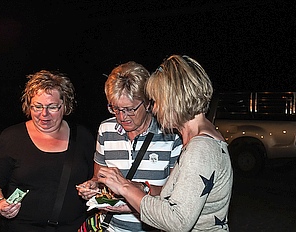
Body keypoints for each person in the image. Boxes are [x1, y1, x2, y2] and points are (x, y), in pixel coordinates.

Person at [96, 55, 234, 231]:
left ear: (173, 100)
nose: (154, 108)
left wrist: (124, 187)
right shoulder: (199, 140)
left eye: (156, 100)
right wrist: (133, 204)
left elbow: (177, 221)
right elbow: (174, 203)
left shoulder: (201, 148)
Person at [0, 70, 95, 231]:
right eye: (37, 106)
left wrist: (93, 186)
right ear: (28, 105)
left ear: (65, 105)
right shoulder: (12, 137)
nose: (44, 114)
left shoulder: (83, 136)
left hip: (73, 227)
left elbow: (97, 178)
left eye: (52, 107)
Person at [77, 61, 182, 231]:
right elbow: (100, 178)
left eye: (129, 109)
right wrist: (93, 186)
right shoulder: (106, 129)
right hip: (109, 226)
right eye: (115, 109)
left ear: (148, 103)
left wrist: (140, 191)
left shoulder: (170, 136)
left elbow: (175, 195)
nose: (121, 117)